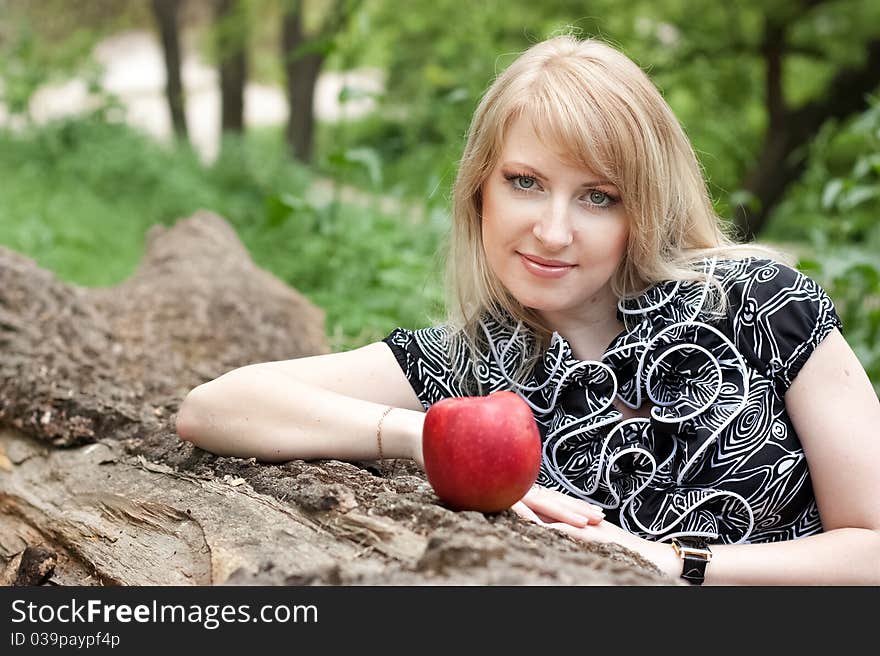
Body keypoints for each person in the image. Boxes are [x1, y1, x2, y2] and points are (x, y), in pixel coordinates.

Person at [175, 34, 880, 585]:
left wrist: (677, 566)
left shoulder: (763, 304)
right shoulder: (467, 365)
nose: (552, 230)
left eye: (598, 196)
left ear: (645, 207)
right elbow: (215, 407)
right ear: (480, 189)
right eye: (525, 182)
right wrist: (428, 437)